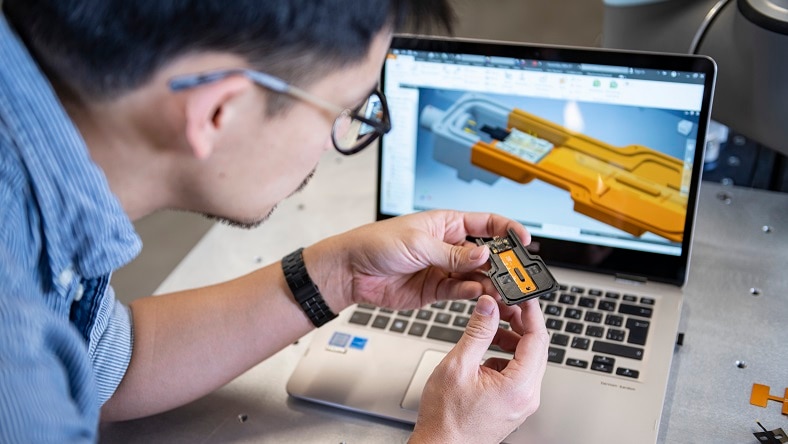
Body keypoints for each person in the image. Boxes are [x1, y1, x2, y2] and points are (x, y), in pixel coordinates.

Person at [0, 1, 549, 442]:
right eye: (345, 109)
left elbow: (103, 363)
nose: (340, 143)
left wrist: (340, 276)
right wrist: (449, 437)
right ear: (218, 112)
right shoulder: (18, 373)